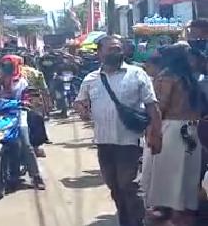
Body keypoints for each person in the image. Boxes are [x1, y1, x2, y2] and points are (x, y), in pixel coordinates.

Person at [74, 35, 162, 226]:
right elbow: (80, 102)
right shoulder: (91, 79)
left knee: (128, 185)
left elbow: (151, 106)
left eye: (118, 48)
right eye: (111, 49)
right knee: (114, 186)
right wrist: (82, 109)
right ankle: (125, 219)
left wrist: (156, 133)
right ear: (99, 53)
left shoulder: (138, 74)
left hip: (130, 141)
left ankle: (137, 221)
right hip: (104, 142)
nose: (116, 52)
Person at [142, 44, 204, 226]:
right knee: (187, 171)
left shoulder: (166, 77)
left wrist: (152, 130)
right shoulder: (189, 78)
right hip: (192, 129)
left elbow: (159, 107)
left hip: (172, 129)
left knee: (169, 171)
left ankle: (170, 211)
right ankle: (184, 210)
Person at [0, 55, 46, 190]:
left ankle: (36, 176)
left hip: (18, 115)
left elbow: (27, 96)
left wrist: (26, 102)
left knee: (25, 144)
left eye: (10, 65)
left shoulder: (22, 82)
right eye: (4, 65)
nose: (7, 69)